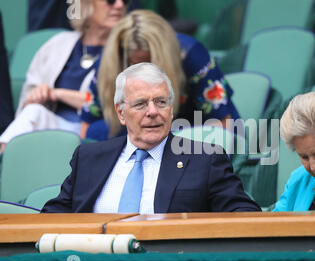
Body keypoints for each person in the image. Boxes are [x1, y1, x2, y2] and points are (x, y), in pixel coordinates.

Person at [41, 62, 260, 214]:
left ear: (171, 110)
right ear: (121, 113)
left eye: (161, 102)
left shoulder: (206, 159)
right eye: (141, 104)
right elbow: (54, 216)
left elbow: (244, 215)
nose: (153, 111)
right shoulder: (88, 158)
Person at [80, 9, 240, 141]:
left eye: (150, 62)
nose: (142, 71)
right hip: (143, 130)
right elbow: (87, 126)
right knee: (97, 132)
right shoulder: (110, 59)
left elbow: (224, 123)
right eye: (133, 64)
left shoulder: (191, 53)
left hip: (192, 130)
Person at [0, 0, 128, 151]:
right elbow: (26, 104)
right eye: (110, 1)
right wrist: (39, 95)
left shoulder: (126, 52)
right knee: (33, 112)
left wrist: (57, 94)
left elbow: (101, 103)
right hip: (46, 126)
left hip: (91, 134)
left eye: (125, 0)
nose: (119, 5)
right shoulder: (57, 44)